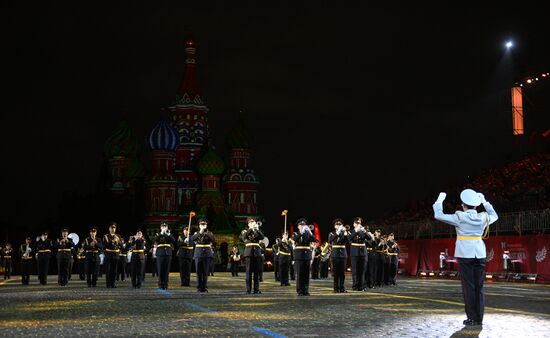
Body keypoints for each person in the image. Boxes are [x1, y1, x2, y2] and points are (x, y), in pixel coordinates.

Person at [433, 189, 498, 326]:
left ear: (463, 205)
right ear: (476, 205)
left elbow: (438, 215)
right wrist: (485, 201)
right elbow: (495, 215)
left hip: (465, 254)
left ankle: (472, 318)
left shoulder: (460, 217)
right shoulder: (483, 217)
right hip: (479, 254)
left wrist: (439, 200)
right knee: (479, 287)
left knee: (468, 287)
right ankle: (479, 317)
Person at [292, 218, 318, 296]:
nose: (303, 226)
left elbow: (315, 240)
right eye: (301, 225)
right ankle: (299, 290)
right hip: (299, 255)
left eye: (304, 225)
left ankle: (305, 290)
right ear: (298, 226)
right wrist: (301, 232)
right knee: (300, 274)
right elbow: (294, 239)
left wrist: (310, 232)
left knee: (306, 274)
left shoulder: (307, 234)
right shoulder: (296, 233)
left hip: (307, 255)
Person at [190, 218, 216, 293]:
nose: (203, 225)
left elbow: (213, 240)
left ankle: (204, 287)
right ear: (199, 225)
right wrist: (200, 232)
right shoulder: (196, 233)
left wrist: (205, 232)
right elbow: (192, 239)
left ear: (206, 225)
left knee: (205, 271)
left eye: (204, 224)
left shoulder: (209, 233)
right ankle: (199, 287)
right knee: (198, 271)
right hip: (198, 253)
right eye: (202, 224)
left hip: (207, 253)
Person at [241, 217, 265, 294]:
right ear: (248, 224)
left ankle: (256, 289)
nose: (253, 223)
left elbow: (262, 237)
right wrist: (251, 228)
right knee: (248, 272)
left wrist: (257, 229)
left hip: (257, 253)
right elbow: (244, 237)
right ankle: (248, 289)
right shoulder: (245, 231)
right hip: (249, 253)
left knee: (256, 273)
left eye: (253, 222)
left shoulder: (257, 231)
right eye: (251, 222)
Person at [329, 219, 349, 293]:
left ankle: (342, 288)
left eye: (340, 225)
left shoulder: (343, 233)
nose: (339, 226)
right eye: (337, 225)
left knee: (342, 273)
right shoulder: (332, 233)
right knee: (336, 272)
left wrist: (346, 233)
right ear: (335, 226)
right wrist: (337, 232)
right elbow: (330, 240)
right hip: (335, 254)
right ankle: (336, 288)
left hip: (343, 254)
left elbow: (348, 241)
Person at [154, 222, 175, 290]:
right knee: (160, 269)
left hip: (168, 253)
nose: (164, 228)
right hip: (160, 253)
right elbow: (155, 240)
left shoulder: (169, 234)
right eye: (163, 226)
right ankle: (160, 284)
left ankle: (165, 284)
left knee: (166, 270)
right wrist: (161, 233)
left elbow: (173, 240)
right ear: (160, 227)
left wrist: (168, 234)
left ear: (167, 227)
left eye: (165, 226)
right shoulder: (158, 234)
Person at [349, 217, 368, 291]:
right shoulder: (351, 231)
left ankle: (361, 286)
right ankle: (355, 286)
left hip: (362, 252)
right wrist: (356, 231)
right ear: (354, 224)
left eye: (359, 223)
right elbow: (349, 238)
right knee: (355, 271)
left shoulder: (363, 231)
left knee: (362, 270)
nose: (358, 224)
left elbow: (369, 238)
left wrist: (365, 231)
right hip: (354, 252)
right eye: (357, 223)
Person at [103, 222, 122, 288]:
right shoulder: (106, 236)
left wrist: (118, 241)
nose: (113, 229)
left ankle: (113, 283)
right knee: (108, 270)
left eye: (114, 227)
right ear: (109, 229)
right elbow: (104, 246)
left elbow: (122, 245)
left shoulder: (118, 236)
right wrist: (113, 241)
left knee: (114, 270)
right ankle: (108, 284)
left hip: (116, 255)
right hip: (109, 254)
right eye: (112, 228)